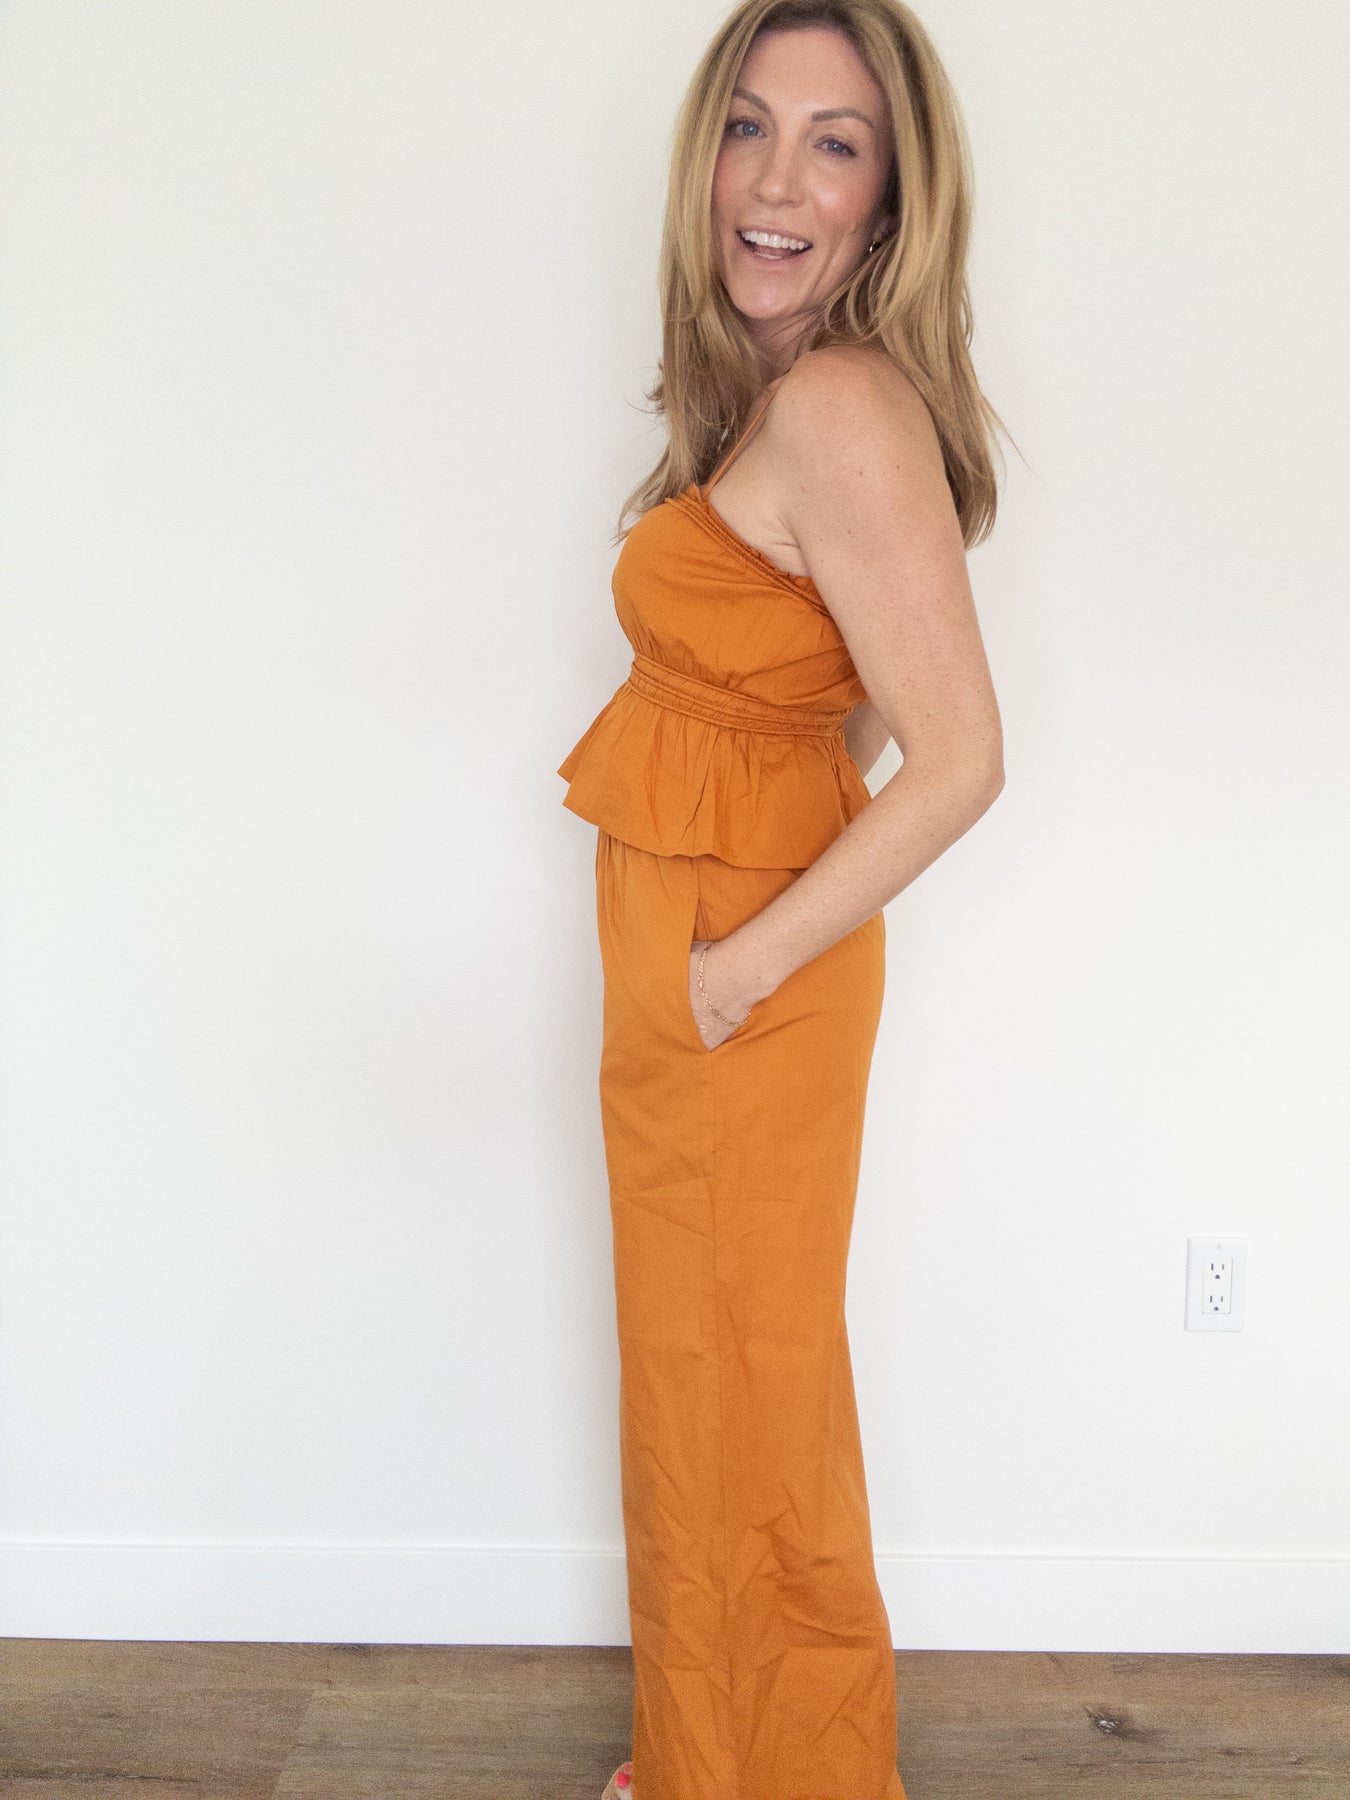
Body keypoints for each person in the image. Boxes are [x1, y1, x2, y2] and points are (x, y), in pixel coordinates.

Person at [558, 2, 1006, 1794]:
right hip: (710, 976)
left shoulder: (837, 406)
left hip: (741, 991)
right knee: (715, 1392)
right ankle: (708, 1756)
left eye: (834, 144)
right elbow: (848, 693)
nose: (774, 180)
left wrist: (733, 972)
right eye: (748, 127)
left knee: (736, 1392)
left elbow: (960, 759)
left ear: (892, 196)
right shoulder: (796, 399)